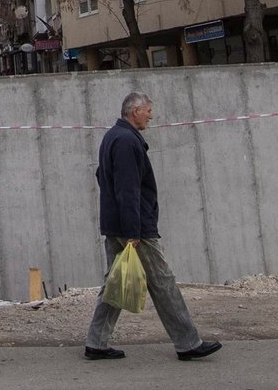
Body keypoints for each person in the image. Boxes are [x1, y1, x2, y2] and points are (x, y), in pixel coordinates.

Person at [85, 91, 221, 362]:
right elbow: (128, 188)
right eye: (148, 110)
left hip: (117, 224)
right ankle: (188, 343)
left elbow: (103, 176)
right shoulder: (125, 141)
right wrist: (133, 231)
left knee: (118, 281)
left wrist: (118, 219)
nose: (151, 115)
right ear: (134, 111)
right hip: (133, 228)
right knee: (163, 282)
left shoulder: (114, 135)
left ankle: (96, 343)